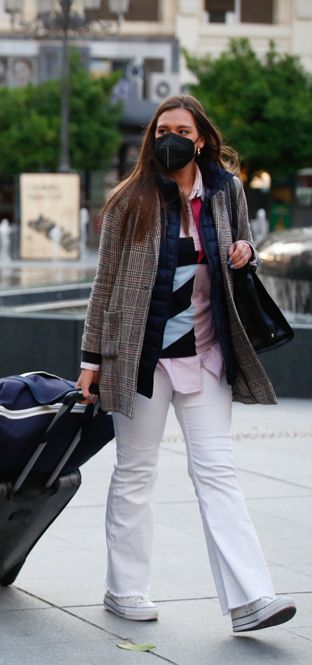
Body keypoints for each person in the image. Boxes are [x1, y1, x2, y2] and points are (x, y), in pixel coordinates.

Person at [75, 95, 297, 633]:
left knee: (217, 472)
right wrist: (90, 360)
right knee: (135, 472)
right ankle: (124, 590)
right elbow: (104, 286)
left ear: (200, 138)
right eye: (161, 129)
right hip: (142, 358)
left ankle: (251, 598)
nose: (169, 137)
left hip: (206, 354)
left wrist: (247, 252)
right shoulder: (131, 199)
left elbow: (244, 248)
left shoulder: (226, 191)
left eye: (181, 128)